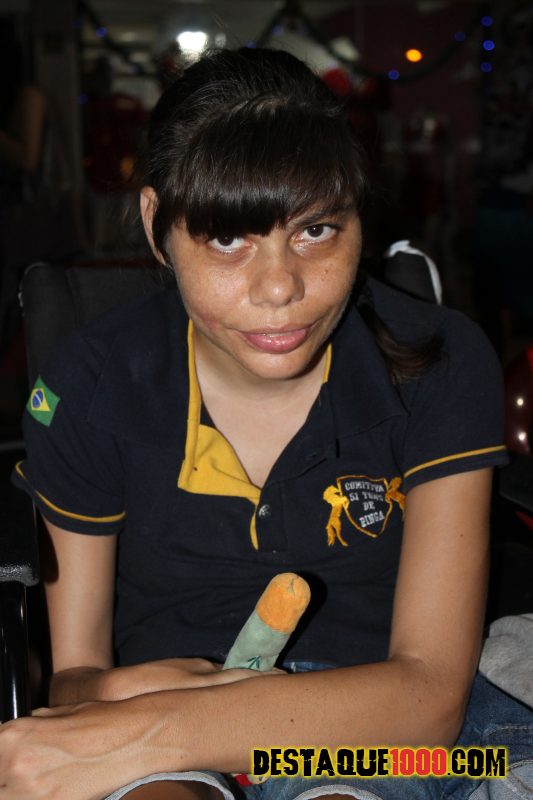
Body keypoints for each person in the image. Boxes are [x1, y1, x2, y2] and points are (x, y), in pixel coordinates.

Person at [1, 47, 532, 800]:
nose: (280, 285)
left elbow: (428, 702)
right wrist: (118, 701)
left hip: (368, 736)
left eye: (316, 230)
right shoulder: (87, 385)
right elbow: (76, 677)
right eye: (227, 238)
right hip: (156, 714)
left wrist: (158, 726)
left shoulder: (441, 363)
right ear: (157, 224)